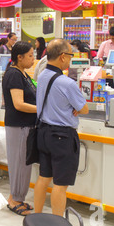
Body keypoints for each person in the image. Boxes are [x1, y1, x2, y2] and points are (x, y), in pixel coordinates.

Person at [33, 38, 89, 216]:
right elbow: (84, 109)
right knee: (60, 184)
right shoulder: (67, 83)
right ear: (63, 57)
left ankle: (38, 216)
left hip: (43, 132)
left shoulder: (41, 76)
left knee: (43, 178)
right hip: (62, 136)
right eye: (71, 56)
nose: (72, 60)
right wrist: (74, 108)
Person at [2, 42, 37, 215]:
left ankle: (19, 198)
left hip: (26, 125)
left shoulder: (23, 74)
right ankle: (14, 200)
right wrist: (42, 109)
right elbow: (18, 104)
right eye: (30, 55)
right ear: (19, 57)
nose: (33, 59)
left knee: (24, 164)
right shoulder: (14, 75)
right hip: (18, 125)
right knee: (18, 163)